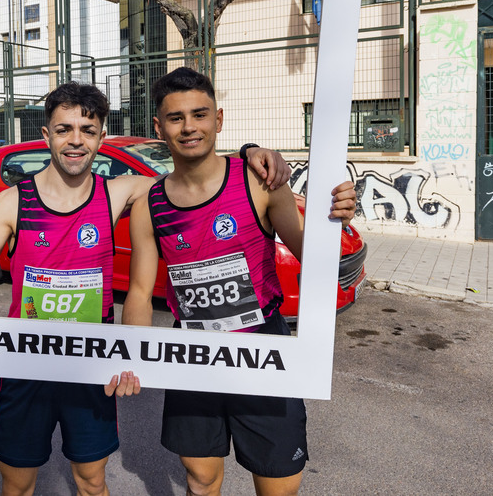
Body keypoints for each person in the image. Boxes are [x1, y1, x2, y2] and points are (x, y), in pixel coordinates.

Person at [0, 81, 293, 496]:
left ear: (100, 137)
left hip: (89, 367)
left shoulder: (120, 192)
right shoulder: (12, 202)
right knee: (17, 486)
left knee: (92, 482)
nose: (76, 141)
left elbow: (191, 175)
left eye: (88, 130)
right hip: (26, 366)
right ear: (47, 135)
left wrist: (250, 152)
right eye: (64, 129)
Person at [122, 68, 357, 496]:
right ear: (159, 127)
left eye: (200, 114)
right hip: (191, 354)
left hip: (264, 349)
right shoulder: (150, 205)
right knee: (201, 479)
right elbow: (139, 292)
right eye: (176, 118)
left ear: (219, 119)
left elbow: (312, 253)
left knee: (278, 486)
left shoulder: (257, 182)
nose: (189, 126)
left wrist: (333, 216)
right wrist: (133, 356)